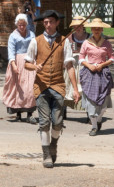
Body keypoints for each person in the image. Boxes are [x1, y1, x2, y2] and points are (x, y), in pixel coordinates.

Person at [24, 10, 80, 168]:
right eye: (46, 22)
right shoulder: (36, 41)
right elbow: (26, 63)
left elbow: (69, 66)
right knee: (44, 122)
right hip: (40, 86)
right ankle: (46, 154)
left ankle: (53, 144)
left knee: (57, 122)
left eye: (51, 22)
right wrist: (35, 66)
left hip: (58, 86)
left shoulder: (64, 41)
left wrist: (75, 89)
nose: (48, 25)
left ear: (57, 23)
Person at [79, 18, 114, 136]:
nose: (96, 30)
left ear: (102, 29)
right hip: (89, 73)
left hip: (103, 73)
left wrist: (103, 65)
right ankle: (94, 126)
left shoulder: (106, 43)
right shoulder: (86, 43)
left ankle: (99, 119)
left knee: (104, 100)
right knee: (90, 101)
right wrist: (89, 66)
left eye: (99, 28)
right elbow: (81, 58)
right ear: (91, 29)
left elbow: (112, 58)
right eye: (94, 28)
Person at [2, 14, 37, 123]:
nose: (21, 27)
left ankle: (30, 113)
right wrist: (13, 65)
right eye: (20, 25)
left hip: (29, 61)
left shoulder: (31, 34)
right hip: (17, 62)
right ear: (17, 24)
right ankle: (18, 113)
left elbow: (35, 47)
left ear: (26, 24)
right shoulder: (13, 36)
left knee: (30, 88)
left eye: (23, 25)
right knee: (18, 88)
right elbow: (11, 52)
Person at [63, 16, 89, 118]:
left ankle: (89, 113)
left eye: (80, 26)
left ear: (83, 26)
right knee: (68, 86)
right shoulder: (68, 38)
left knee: (85, 88)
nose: (78, 28)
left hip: (85, 65)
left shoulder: (89, 37)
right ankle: (63, 110)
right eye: (75, 26)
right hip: (71, 65)